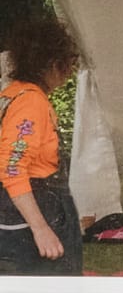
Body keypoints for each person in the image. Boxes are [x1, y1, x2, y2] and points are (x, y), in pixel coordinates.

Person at [0, 16, 83, 276]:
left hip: (25, 213)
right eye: (68, 62)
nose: (70, 71)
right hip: (28, 222)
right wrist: (40, 228)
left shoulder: (13, 93)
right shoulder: (30, 104)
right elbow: (12, 169)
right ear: (50, 63)